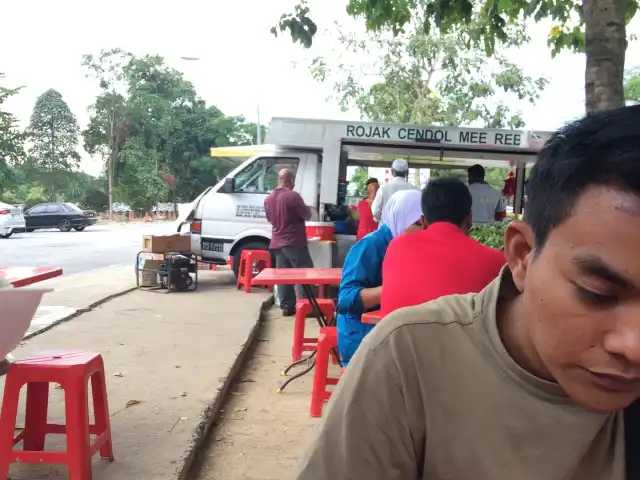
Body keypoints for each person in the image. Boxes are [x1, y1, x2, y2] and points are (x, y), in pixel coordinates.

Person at [295, 105, 640, 479]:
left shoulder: (393, 252)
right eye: (596, 292)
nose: (634, 347)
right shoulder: (409, 351)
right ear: (521, 257)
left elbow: (345, 301)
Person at [380, 177, 505, 315]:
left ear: (423, 221)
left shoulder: (396, 247)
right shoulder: (498, 263)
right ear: (469, 218)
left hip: (395, 336)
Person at [337, 189, 424, 365]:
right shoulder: (371, 245)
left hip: (393, 329)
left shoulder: (413, 246)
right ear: (400, 217)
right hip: (362, 334)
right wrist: (393, 290)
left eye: (427, 225)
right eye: (418, 224)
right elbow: (346, 300)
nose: (423, 230)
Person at [264, 169, 313, 316]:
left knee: (283, 275)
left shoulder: (269, 199)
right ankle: (305, 306)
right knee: (305, 272)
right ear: (290, 181)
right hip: (294, 242)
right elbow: (307, 215)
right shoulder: (293, 196)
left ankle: (287, 306)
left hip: (277, 243)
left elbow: (270, 220)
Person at [370, 158, 418, 223]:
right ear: (407, 172)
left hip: (386, 229)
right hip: (406, 229)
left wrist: (381, 219)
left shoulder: (383, 188)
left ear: (392, 171)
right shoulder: (415, 190)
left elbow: (375, 211)